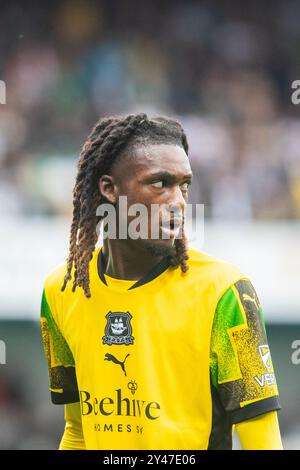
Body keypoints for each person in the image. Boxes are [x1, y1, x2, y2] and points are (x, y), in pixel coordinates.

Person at [40, 113, 282, 450]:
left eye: (184, 185)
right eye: (159, 183)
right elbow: (78, 430)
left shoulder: (228, 294)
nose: (179, 201)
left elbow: (263, 441)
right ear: (109, 188)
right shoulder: (61, 291)